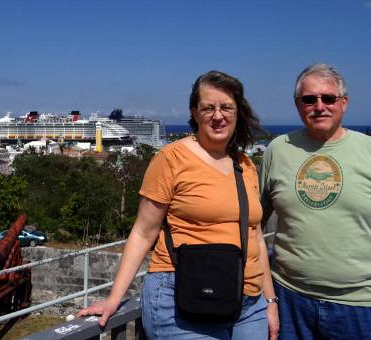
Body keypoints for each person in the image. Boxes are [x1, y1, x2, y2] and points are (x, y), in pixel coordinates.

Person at [78, 70, 280, 339]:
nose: (218, 116)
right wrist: (114, 298)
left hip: (248, 303)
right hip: (184, 296)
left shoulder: (244, 165)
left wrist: (269, 301)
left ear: (237, 112)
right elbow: (143, 232)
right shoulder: (171, 158)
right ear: (194, 113)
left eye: (226, 107)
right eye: (208, 108)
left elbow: (254, 235)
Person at [259, 63, 371, 340]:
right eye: (309, 99)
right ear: (297, 105)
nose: (319, 106)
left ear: (344, 103)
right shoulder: (278, 150)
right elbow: (254, 224)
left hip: (362, 308)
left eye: (328, 98)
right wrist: (268, 299)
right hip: (290, 301)